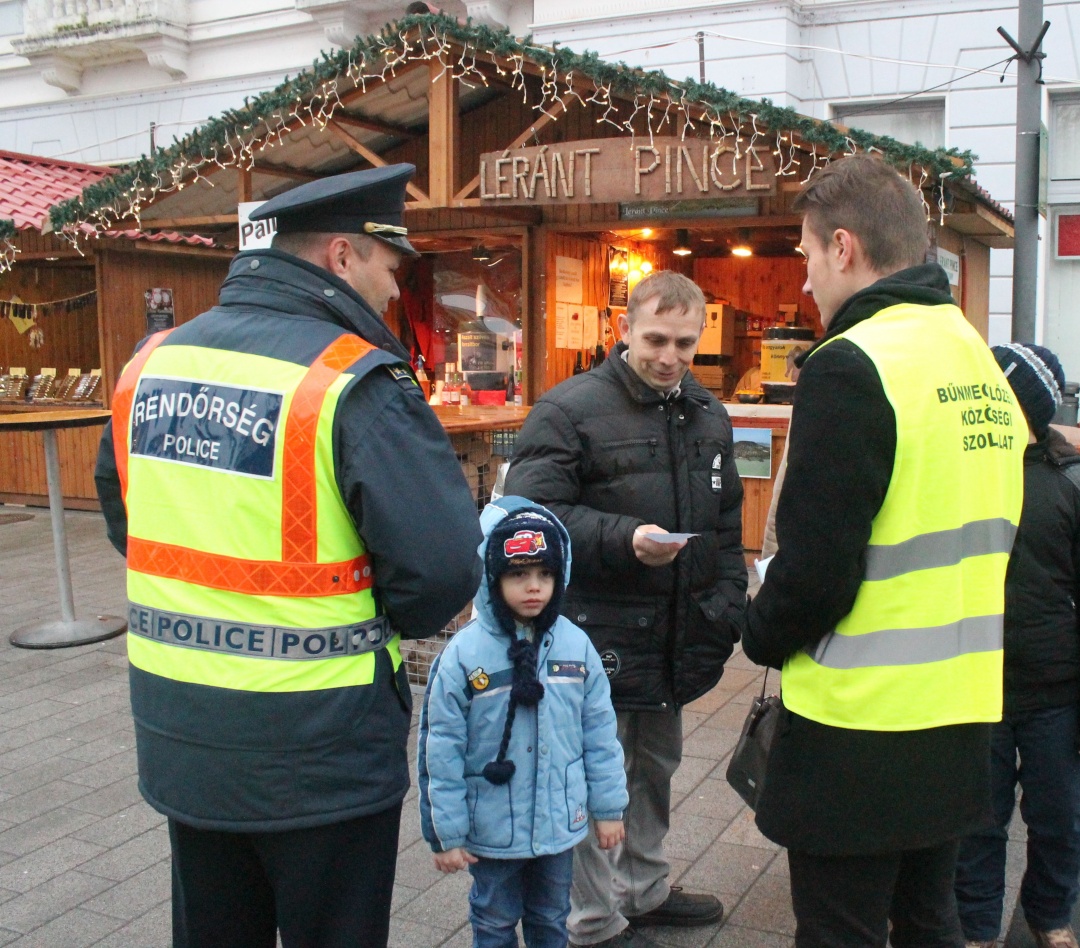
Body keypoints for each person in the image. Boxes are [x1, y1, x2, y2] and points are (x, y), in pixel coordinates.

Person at [94, 163, 483, 948]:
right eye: (389, 266)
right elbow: (442, 570)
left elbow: (124, 517)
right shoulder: (353, 381)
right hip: (320, 748)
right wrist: (363, 614)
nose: (392, 290)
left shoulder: (153, 365)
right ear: (342, 256)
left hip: (183, 737)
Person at [741, 155, 1028, 948]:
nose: (803, 283)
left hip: (858, 726)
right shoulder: (977, 359)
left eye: (802, 258)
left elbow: (816, 570)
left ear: (843, 248)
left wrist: (757, 626)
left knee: (841, 932)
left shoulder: (853, 364)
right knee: (929, 921)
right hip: (962, 713)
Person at [503, 270, 747, 947]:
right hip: (593, 633)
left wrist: (728, 602)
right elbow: (529, 514)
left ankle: (643, 889)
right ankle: (591, 921)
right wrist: (623, 538)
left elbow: (727, 522)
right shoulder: (569, 408)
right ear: (623, 331)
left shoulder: (706, 411)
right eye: (657, 340)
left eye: (686, 344)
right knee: (590, 777)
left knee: (655, 768)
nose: (670, 357)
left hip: (673, 631)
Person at [954, 344, 1080, 948]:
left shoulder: (1076, 489)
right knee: (977, 823)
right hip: (979, 689)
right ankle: (977, 925)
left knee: (1061, 822)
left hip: (1057, 695)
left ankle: (1050, 915)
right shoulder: (963, 483)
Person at [420, 497, 630, 948]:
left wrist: (609, 808)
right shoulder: (463, 656)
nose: (534, 587)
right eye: (518, 574)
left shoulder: (576, 647)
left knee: (551, 917)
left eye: (545, 574)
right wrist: (446, 833)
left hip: (558, 826)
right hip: (491, 829)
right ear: (492, 578)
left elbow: (600, 734)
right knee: (493, 921)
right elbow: (440, 747)